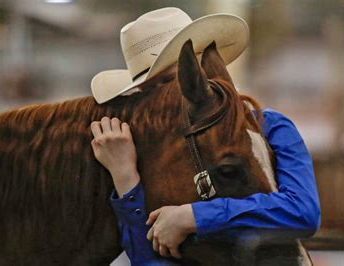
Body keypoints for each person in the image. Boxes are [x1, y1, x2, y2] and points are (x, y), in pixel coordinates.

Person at [89, 7, 320, 265]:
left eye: (173, 82)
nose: (164, 99)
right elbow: (150, 258)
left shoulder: (270, 126)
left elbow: (303, 212)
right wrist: (125, 178)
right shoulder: (151, 154)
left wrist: (193, 216)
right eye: (152, 90)